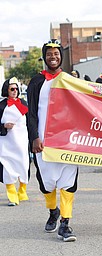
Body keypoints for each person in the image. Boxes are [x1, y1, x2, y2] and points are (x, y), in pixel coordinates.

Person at [27, 39, 78, 242]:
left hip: (68, 141)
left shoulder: (70, 80)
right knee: (47, 183)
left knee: (68, 181)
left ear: (61, 57)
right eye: (49, 54)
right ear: (44, 57)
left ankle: (65, 223)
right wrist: (34, 137)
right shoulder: (36, 82)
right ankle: (53, 211)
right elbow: (30, 113)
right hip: (44, 140)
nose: (53, 57)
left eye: (56, 54)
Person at [0, 77, 29, 206]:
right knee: (8, 168)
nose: (15, 91)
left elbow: (31, 120)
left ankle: (22, 191)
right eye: (12, 89)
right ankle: (12, 196)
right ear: (7, 90)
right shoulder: (1, 106)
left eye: (17, 89)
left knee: (23, 166)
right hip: (6, 143)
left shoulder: (23, 103)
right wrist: (4, 126)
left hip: (22, 142)